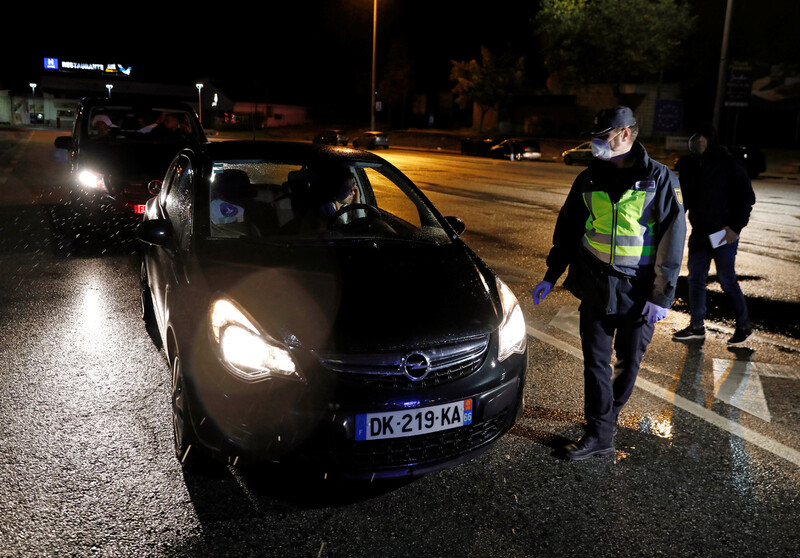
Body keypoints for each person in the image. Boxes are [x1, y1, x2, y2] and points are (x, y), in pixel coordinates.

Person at [531, 106, 686, 461]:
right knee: (595, 363)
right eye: (594, 137)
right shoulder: (587, 179)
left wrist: (662, 296)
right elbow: (568, 230)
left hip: (639, 293)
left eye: (603, 138)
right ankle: (600, 433)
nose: (596, 144)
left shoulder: (662, 179)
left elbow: (672, 240)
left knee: (628, 363)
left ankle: (606, 420)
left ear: (626, 134)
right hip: (595, 286)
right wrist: (551, 274)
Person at [672, 122, 756, 346]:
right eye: (696, 136)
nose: (700, 140)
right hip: (700, 233)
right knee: (695, 279)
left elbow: (747, 198)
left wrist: (735, 228)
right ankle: (697, 327)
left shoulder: (728, 163)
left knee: (726, 279)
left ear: (711, 139)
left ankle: (744, 326)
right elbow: (683, 200)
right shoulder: (689, 165)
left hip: (722, 233)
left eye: (705, 137)